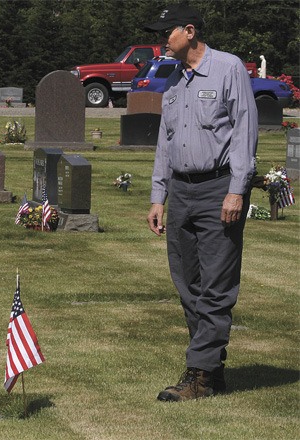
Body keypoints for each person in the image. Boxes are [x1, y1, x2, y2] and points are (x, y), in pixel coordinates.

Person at [145, 3, 258, 402]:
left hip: (218, 188)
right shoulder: (174, 81)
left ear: (189, 31)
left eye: (166, 33)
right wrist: (159, 195)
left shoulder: (228, 69)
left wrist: (237, 190)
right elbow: (165, 142)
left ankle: (199, 375)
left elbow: (245, 131)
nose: (161, 40)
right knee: (187, 283)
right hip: (181, 192)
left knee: (216, 285)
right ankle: (211, 368)